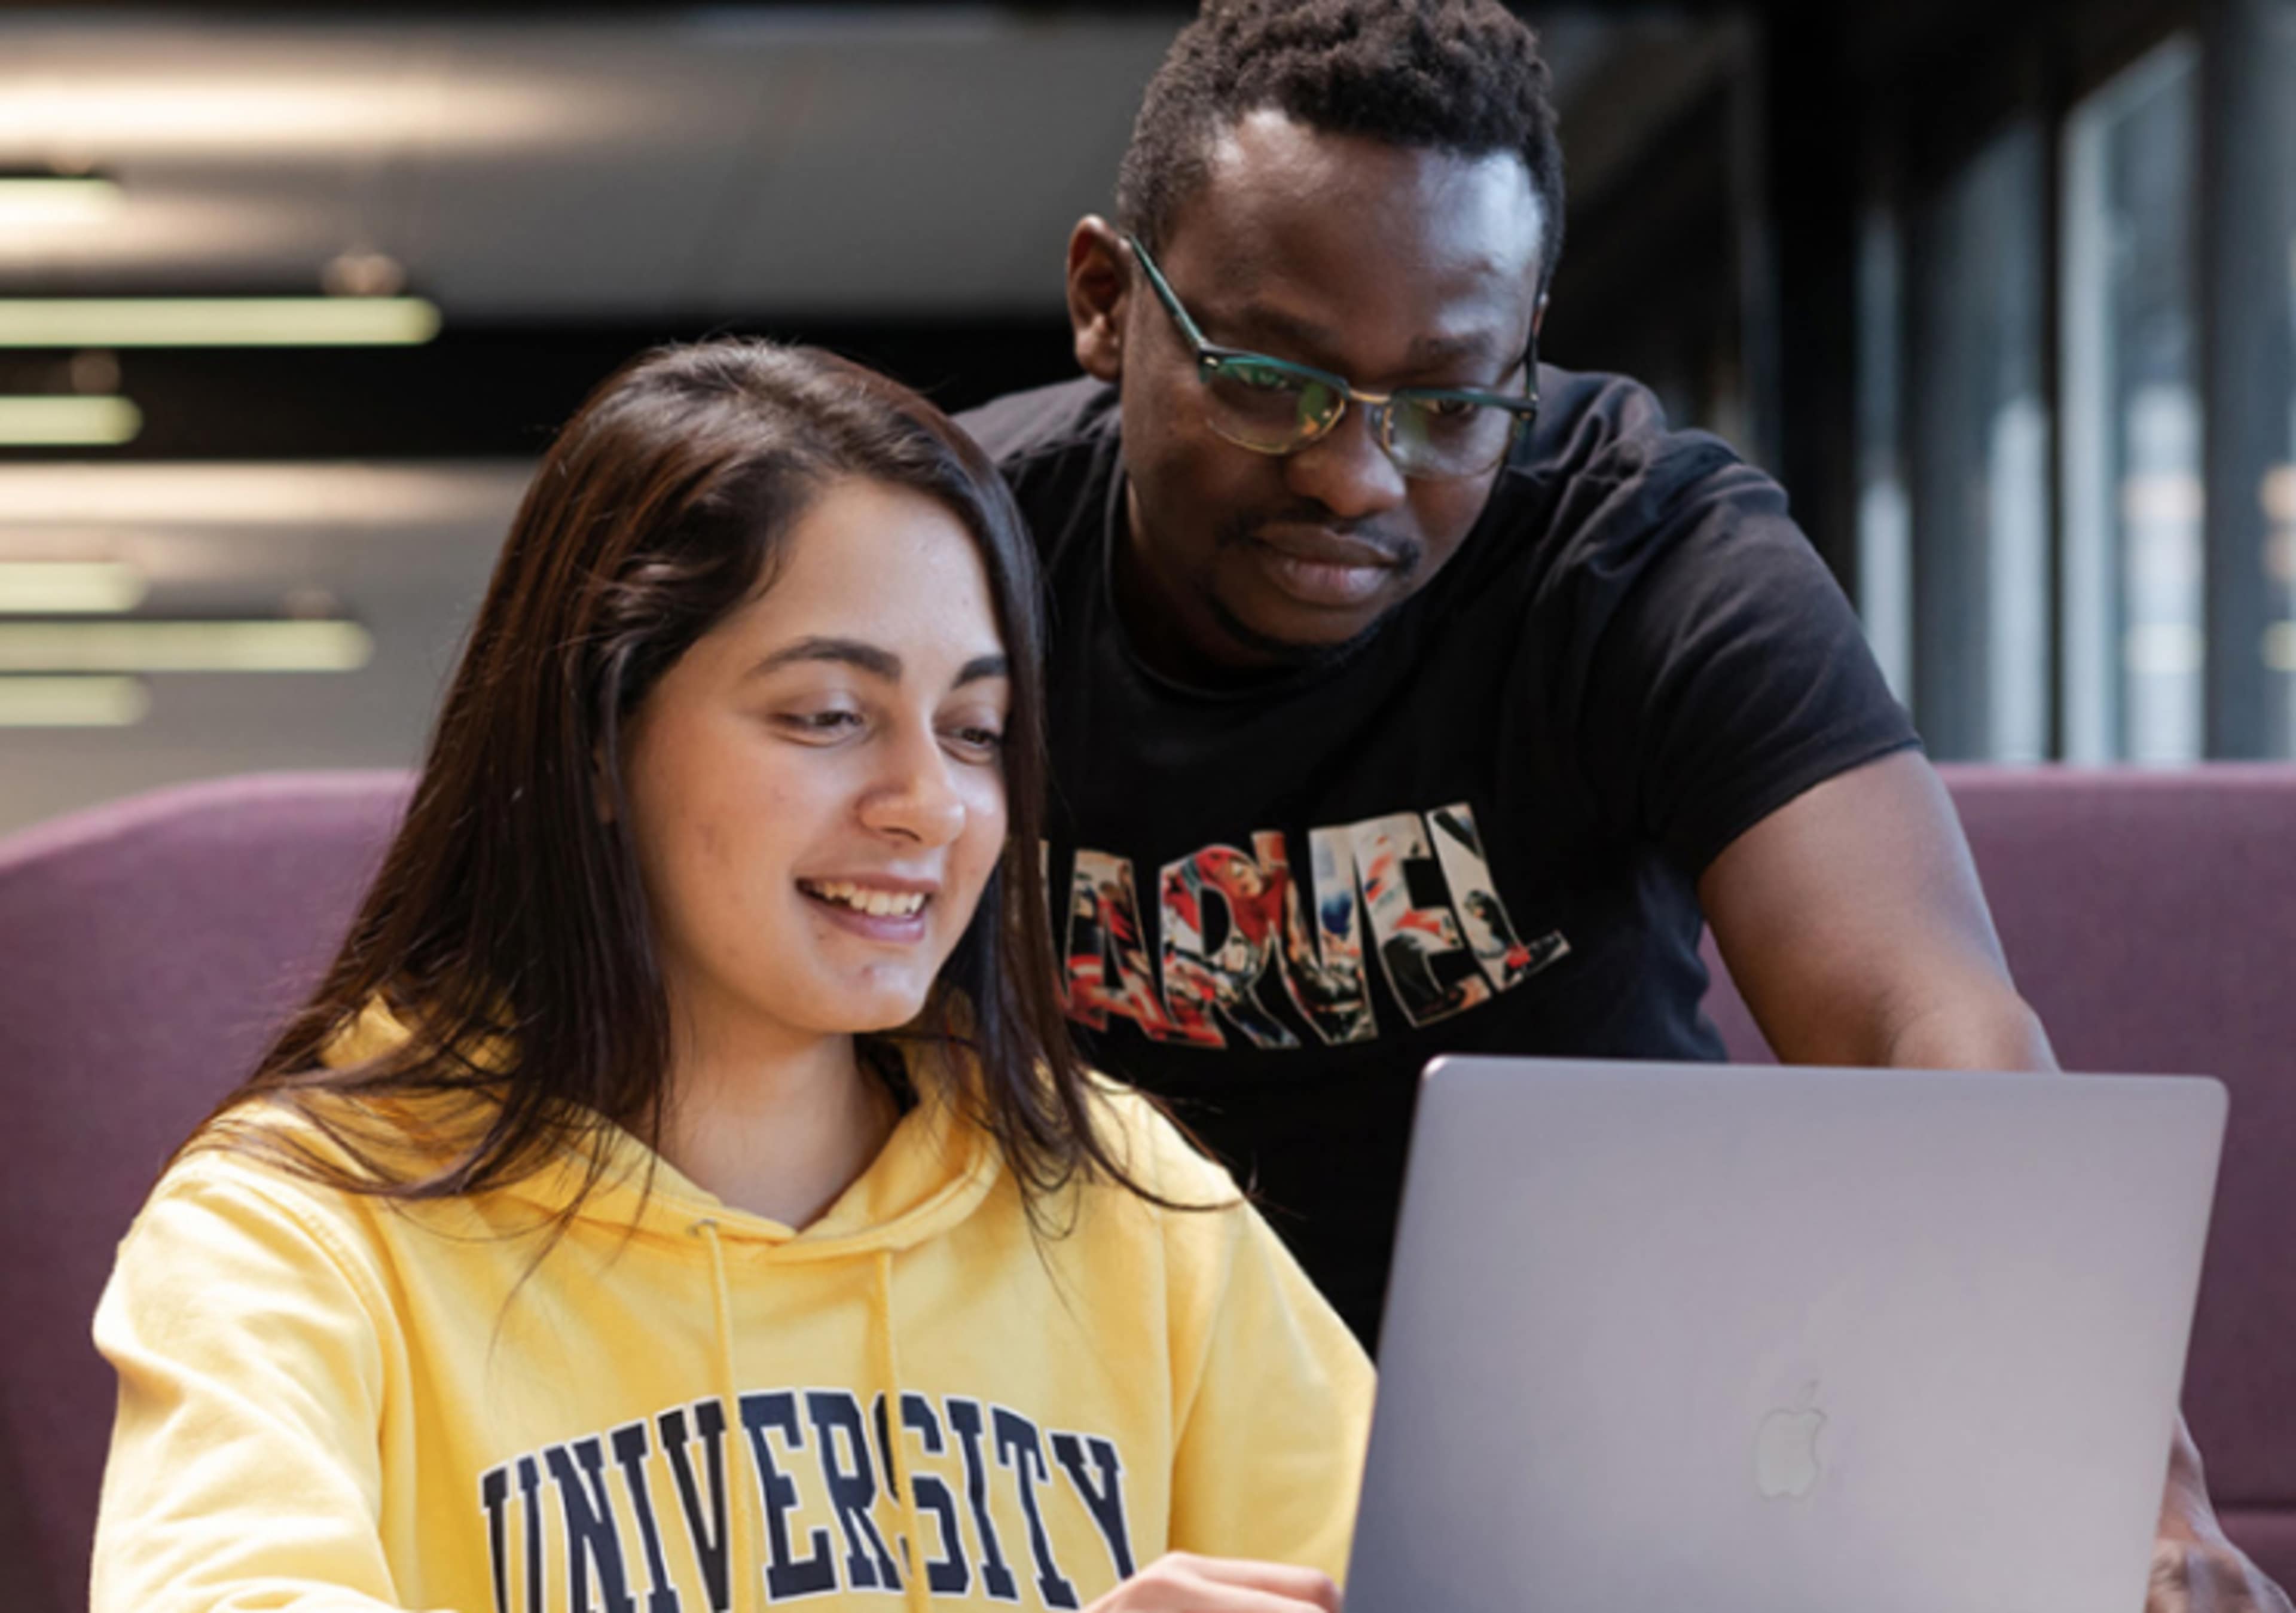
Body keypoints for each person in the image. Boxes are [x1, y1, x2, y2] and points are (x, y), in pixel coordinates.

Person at [954, 3, 2291, 1610]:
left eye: (1451, 401)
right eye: (1270, 378)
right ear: (1109, 305)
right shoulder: (953, 567)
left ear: (1524, 344)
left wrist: (2110, 1492)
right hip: (1079, 1446)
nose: (1356, 476)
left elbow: (1918, 1028)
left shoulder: (1638, 550)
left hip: (1588, 1459)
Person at [90, 340, 1370, 1613]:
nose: (928, 804)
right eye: (826, 714)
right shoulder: (296, 1228)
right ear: (598, 737)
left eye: (975, 730)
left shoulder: (1124, 1201)